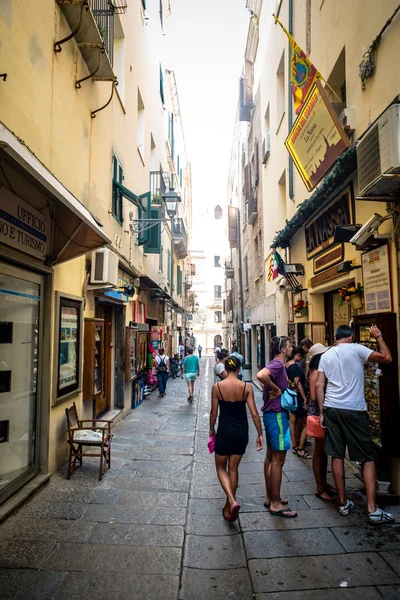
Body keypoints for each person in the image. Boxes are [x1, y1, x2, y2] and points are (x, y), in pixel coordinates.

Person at [316, 324, 394, 524]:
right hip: (354, 409)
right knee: (367, 457)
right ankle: (372, 508)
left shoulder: (327, 354)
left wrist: (322, 412)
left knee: (337, 454)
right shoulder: (357, 348)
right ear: (350, 337)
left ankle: (342, 503)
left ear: (336, 338)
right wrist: (379, 336)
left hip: (332, 407)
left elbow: (319, 385)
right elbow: (387, 358)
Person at [209, 355, 263, 522]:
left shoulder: (217, 387)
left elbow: (214, 413)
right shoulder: (246, 387)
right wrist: (260, 434)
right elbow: (254, 413)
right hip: (241, 433)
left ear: (226, 368)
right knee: (233, 469)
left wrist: (211, 430)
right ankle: (228, 505)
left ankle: (231, 501)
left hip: (224, 431)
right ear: (239, 369)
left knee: (220, 467)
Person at [257, 336, 297, 518]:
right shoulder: (278, 365)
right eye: (289, 346)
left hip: (271, 414)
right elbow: (261, 375)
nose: (291, 348)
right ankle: (275, 503)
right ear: (282, 349)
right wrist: (277, 389)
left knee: (271, 457)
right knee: (278, 460)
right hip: (277, 415)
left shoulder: (276, 364)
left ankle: (271, 496)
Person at [307, 343, 337, 501]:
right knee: (319, 452)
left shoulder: (316, 371)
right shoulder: (315, 374)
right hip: (318, 416)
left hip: (320, 414)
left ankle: (324, 483)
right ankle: (320, 487)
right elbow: (313, 396)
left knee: (323, 452)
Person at [286, 347, 311, 459]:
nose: (301, 359)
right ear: (298, 355)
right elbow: (298, 384)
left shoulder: (287, 364)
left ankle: (295, 445)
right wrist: (305, 398)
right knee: (307, 421)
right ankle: (299, 448)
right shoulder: (294, 366)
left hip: (291, 396)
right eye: (301, 356)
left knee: (292, 420)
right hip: (297, 397)